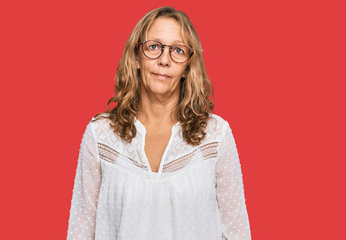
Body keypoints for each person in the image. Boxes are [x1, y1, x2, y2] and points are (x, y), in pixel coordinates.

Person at [67, 6, 251, 240]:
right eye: (154, 47)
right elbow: (81, 231)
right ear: (136, 57)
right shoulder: (101, 135)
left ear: (187, 66)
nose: (165, 60)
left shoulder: (215, 136)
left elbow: (237, 232)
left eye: (177, 50)